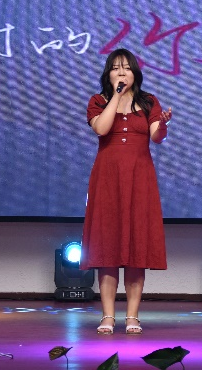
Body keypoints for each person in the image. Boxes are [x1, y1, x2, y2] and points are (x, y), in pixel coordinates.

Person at [80, 48, 171, 335]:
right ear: (108, 74)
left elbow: (156, 136)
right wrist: (116, 97)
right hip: (107, 180)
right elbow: (101, 129)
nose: (122, 72)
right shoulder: (98, 101)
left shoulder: (148, 101)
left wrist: (163, 124)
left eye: (127, 68)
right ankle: (108, 315)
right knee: (107, 246)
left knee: (135, 245)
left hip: (139, 179)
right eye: (116, 68)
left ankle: (133, 316)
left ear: (135, 73)